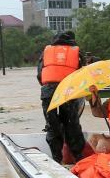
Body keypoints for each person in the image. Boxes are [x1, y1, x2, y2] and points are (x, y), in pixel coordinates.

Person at [37, 30, 86, 163]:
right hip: (69, 92)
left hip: (48, 92)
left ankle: (57, 160)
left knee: (52, 125)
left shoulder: (46, 52)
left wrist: (49, 85)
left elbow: (40, 75)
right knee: (71, 124)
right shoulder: (77, 52)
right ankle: (79, 159)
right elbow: (84, 74)